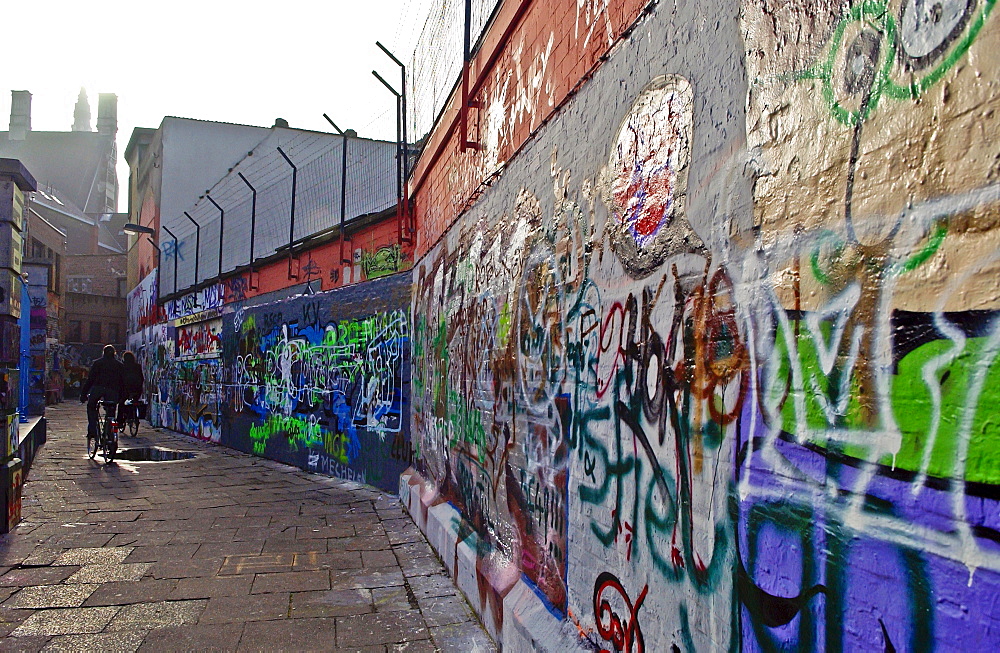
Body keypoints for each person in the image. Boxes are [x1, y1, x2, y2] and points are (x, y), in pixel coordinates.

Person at [80, 344, 125, 440]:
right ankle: (110, 435)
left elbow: (90, 380)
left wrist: (83, 394)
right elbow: (123, 382)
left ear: (103, 353)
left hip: (98, 389)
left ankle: (92, 429)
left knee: (91, 406)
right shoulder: (119, 365)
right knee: (111, 411)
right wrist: (122, 395)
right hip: (113, 391)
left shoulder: (97, 363)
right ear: (114, 353)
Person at [121, 350, 145, 422]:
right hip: (137, 389)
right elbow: (141, 378)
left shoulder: (123, 367)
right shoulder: (137, 366)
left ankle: (120, 421)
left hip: (126, 389)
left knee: (121, 403)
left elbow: (121, 378)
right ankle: (133, 416)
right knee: (134, 401)